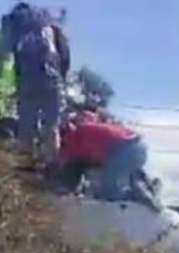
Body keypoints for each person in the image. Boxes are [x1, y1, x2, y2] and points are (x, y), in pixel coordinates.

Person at [2, 3, 69, 171]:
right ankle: (51, 164)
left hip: (28, 80)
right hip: (53, 79)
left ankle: (27, 160)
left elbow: (4, 53)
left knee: (27, 122)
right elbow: (65, 53)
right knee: (51, 125)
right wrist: (63, 77)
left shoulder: (14, 23)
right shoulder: (51, 26)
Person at [59, 110, 147, 201]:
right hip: (139, 146)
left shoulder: (74, 136)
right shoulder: (91, 127)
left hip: (124, 150)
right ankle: (144, 193)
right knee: (121, 178)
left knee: (108, 191)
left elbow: (70, 163)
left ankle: (133, 200)